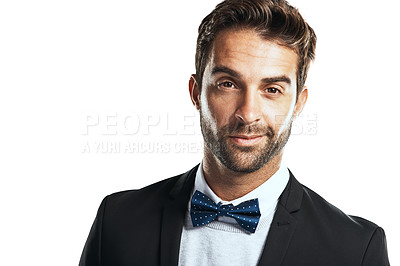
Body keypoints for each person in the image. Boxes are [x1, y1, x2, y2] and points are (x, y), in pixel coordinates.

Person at [79, 0, 390, 265]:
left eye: (272, 89)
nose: (248, 113)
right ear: (196, 92)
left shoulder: (355, 249)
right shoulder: (118, 221)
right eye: (228, 84)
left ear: (298, 103)